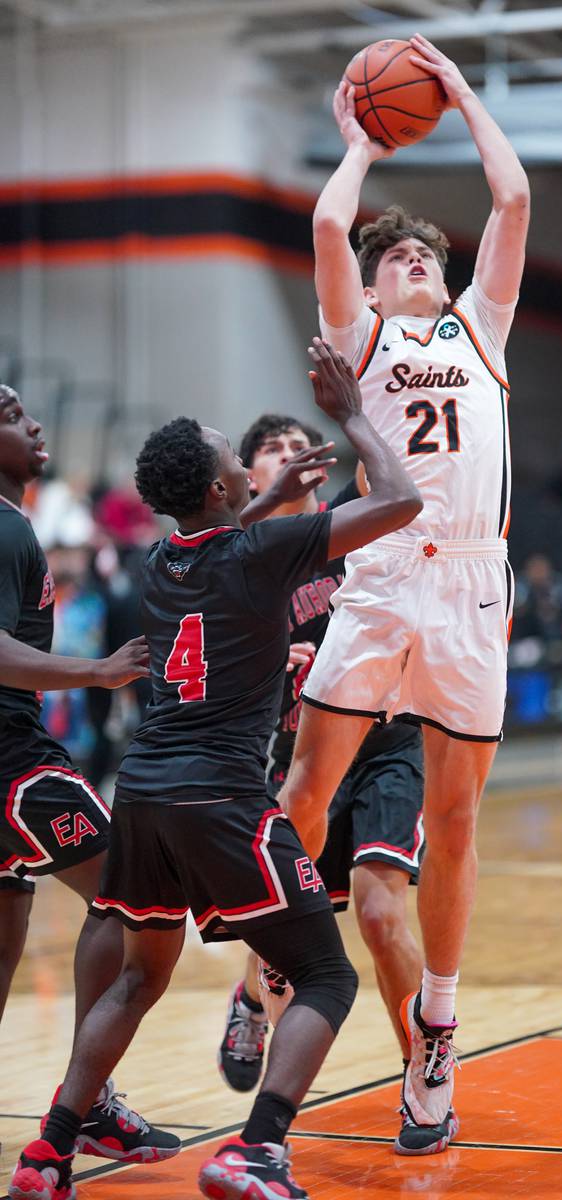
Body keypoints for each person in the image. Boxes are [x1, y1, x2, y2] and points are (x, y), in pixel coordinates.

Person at [10, 341, 422, 1200]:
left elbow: (222, 536)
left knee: (137, 975)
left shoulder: (161, 564)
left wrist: (262, 498)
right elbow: (401, 499)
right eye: (234, 455)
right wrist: (352, 416)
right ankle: (257, 1149)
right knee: (324, 973)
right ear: (220, 490)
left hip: (144, 795)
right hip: (224, 797)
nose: (243, 460)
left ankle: (47, 1155)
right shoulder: (263, 554)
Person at [277, 33, 530, 1153]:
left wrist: (462, 93)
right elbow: (332, 227)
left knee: (457, 815)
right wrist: (359, 141)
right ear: (375, 287)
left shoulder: (481, 327)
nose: (416, 263)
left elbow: (512, 195)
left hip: (473, 582)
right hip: (380, 579)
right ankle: (272, 965)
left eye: (428, 256)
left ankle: (435, 1024)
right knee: (301, 797)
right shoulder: (362, 333)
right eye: (402, 260)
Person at [218, 413, 431, 1151]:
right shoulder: (239, 558)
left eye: (296, 442)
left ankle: (423, 1083)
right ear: (250, 476)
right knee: (286, 927)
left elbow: (392, 465)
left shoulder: (350, 520)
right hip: (294, 760)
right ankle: (251, 999)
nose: (288, 454)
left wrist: (367, 387)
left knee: (379, 915)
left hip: (383, 744)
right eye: (271, 448)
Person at [0, 382, 180, 1165]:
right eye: (9, 415)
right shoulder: (2, 530)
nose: (33, 422)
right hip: (14, 765)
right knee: (130, 890)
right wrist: (99, 672)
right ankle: (90, 1098)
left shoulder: (16, 525)